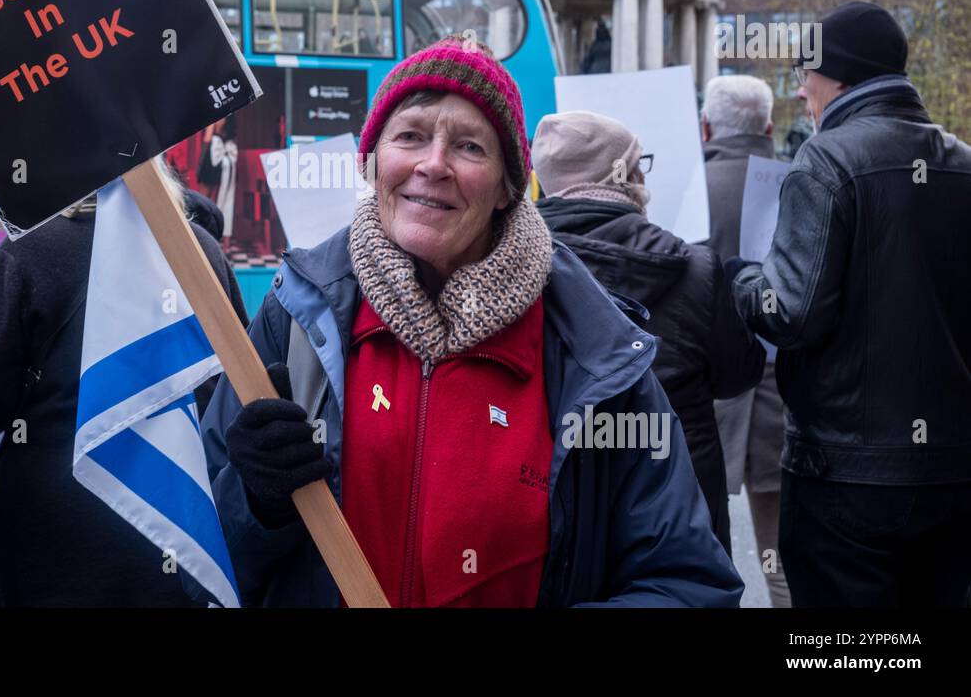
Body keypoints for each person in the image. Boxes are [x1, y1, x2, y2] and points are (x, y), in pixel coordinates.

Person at [200, 36, 742, 607]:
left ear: (510, 188)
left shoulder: (594, 349)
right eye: (409, 136)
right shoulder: (294, 319)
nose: (432, 164)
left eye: (469, 147)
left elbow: (688, 585)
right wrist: (255, 503)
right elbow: (196, 552)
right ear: (372, 162)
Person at [731, 1, 971, 607]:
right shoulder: (963, 165)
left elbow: (790, 311)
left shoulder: (827, 159)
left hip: (845, 474)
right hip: (953, 469)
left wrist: (742, 278)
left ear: (835, 74)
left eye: (803, 76)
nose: (801, 92)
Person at [0, 167, 248, 607]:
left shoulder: (31, 249)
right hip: (177, 519)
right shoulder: (199, 250)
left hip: (50, 532)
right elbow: (235, 390)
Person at [532, 110, 766, 555]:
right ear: (626, 174)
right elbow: (739, 374)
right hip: (681, 496)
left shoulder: (508, 263)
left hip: (553, 493)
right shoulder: (697, 267)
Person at [700, 75, 790, 607]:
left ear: (706, 126)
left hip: (704, 403)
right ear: (771, 128)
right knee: (780, 564)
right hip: (788, 400)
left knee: (701, 557)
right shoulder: (809, 184)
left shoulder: (686, 187)